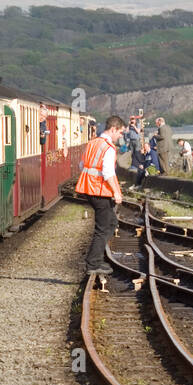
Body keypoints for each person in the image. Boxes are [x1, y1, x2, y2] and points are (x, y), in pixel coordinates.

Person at [76, 115, 125, 275]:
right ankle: (93, 263)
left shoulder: (93, 143)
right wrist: (116, 192)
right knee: (103, 227)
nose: (120, 136)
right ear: (113, 129)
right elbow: (108, 172)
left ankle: (96, 260)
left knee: (110, 222)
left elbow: (82, 164)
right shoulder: (108, 148)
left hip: (89, 188)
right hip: (99, 190)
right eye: (120, 132)